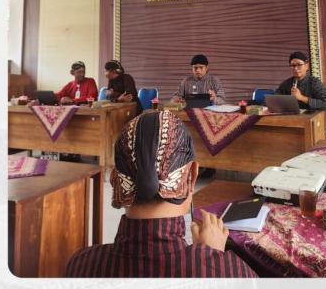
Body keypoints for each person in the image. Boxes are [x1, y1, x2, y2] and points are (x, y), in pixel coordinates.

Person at [65, 111, 257, 278]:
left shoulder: (80, 266)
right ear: (192, 176)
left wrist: (210, 262)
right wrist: (213, 260)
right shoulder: (233, 273)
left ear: (116, 181)